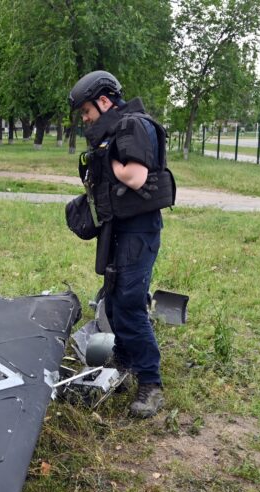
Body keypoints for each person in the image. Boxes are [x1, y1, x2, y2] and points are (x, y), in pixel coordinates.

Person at [67, 70, 175, 418]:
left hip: (138, 230)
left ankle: (151, 383)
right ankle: (125, 364)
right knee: (112, 301)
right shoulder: (117, 129)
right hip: (119, 228)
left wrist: (107, 157)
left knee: (129, 303)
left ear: (103, 101)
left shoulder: (132, 126)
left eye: (86, 111)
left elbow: (135, 175)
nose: (85, 119)